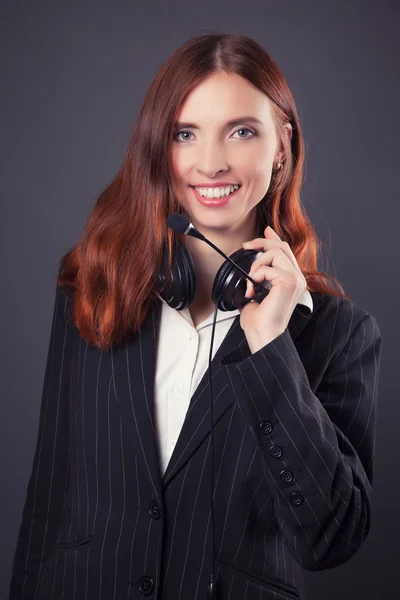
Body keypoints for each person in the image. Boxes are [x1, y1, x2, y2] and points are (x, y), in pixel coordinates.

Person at [9, 33, 382, 600]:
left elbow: (331, 538)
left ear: (282, 144)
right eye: (186, 134)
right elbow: (48, 505)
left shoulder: (340, 336)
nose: (210, 163)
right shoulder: (92, 289)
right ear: (160, 148)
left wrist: (269, 347)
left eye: (241, 131)